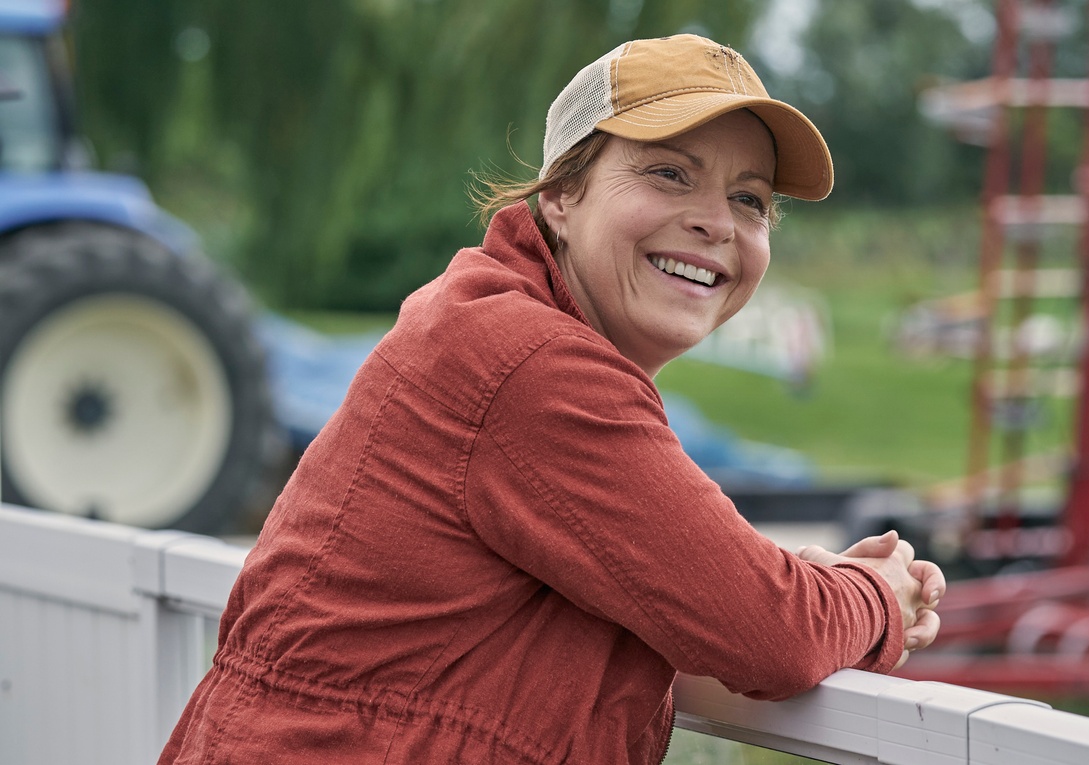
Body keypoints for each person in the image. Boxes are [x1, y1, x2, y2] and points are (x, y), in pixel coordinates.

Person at [159, 33, 944, 765]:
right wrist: (877, 598)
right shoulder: (531, 363)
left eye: (750, 200)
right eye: (670, 173)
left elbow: (677, 580)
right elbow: (767, 634)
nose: (715, 222)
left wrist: (768, 574)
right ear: (563, 195)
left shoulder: (491, 321)